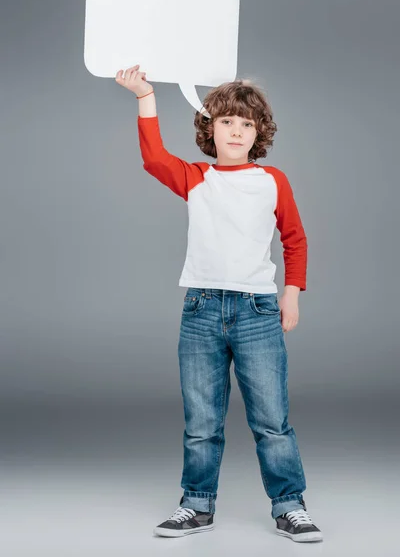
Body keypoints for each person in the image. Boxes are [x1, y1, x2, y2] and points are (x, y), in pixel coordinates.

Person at [115, 65, 323, 543]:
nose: (236, 130)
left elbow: (295, 240)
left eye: (246, 123)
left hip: (257, 312)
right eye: (227, 121)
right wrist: (145, 95)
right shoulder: (196, 178)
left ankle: (290, 505)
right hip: (201, 311)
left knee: (271, 420)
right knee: (202, 420)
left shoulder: (273, 180)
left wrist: (291, 294)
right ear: (209, 128)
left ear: (259, 133)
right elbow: (152, 158)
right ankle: (197, 504)